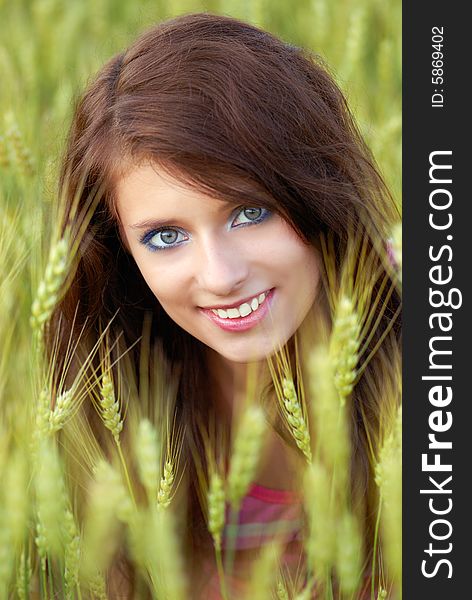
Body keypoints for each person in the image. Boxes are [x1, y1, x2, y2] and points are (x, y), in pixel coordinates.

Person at [48, 12, 401, 599]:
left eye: (250, 212)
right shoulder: (93, 403)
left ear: (317, 192)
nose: (221, 276)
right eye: (165, 236)